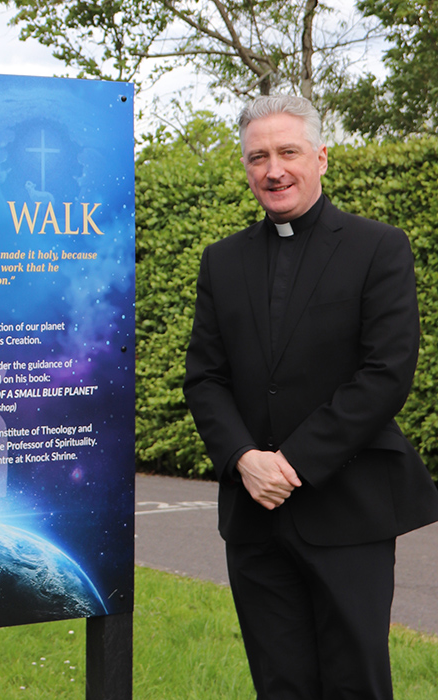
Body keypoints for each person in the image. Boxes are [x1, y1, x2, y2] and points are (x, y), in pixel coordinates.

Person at [183, 94, 438, 699]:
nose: (273, 169)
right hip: (254, 516)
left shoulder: (378, 247)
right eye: (257, 157)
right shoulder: (222, 262)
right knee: (280, 683)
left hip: (347, 508)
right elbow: (205, 378)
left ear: (321, 157)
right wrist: (246, 458)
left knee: (356, 683)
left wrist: (290, 465)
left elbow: (386, 372)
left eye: (288, 152)